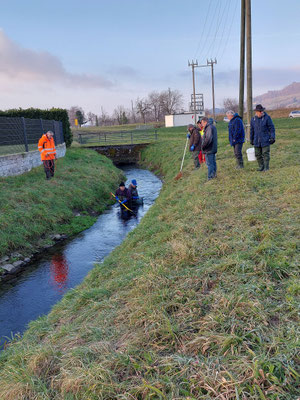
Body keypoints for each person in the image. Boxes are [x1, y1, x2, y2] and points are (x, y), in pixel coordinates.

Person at [250, 104, 275, 171]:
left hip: (265, 140)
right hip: (256, 140)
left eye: (261, 111)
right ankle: (261, 166)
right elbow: (252, 130)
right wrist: (251, 139)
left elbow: (271, 128)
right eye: (259, 111)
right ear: (256, 112)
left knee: (265, 154)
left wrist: (272, 137)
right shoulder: (253, 119)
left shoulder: (267, 118)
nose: (261, 113)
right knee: (257, 155)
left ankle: (266, 167)